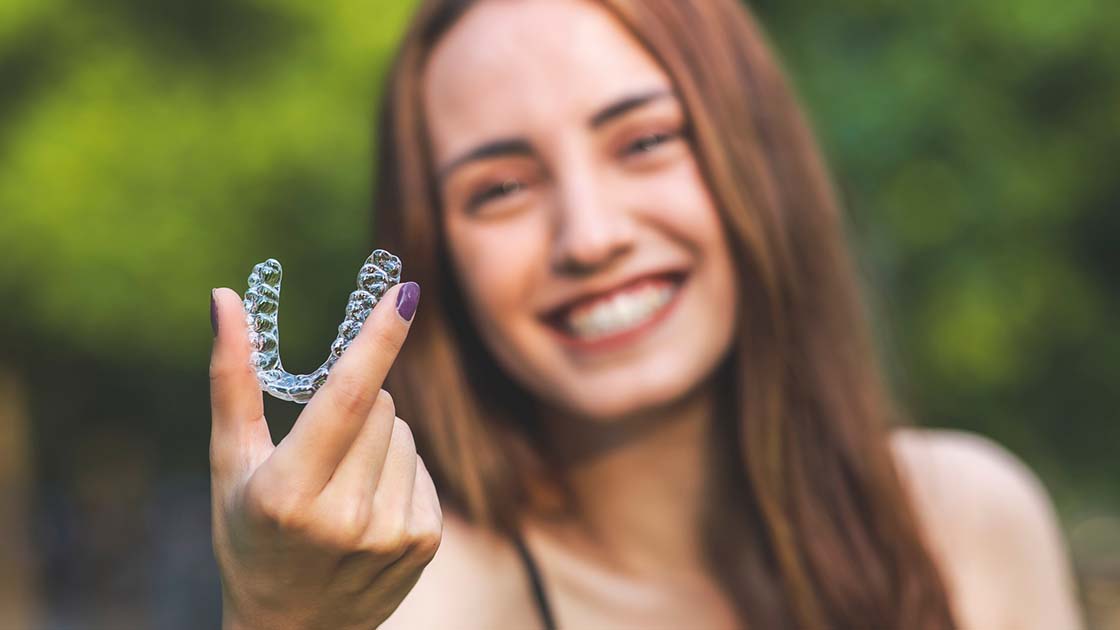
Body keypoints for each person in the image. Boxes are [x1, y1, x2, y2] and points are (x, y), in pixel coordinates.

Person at [207, 0, 1085, 628]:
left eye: (647, 140)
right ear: (436, 252)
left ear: (759, 156)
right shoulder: (415, 604)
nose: (590, 237)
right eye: (501, 188)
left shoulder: (965, 524)